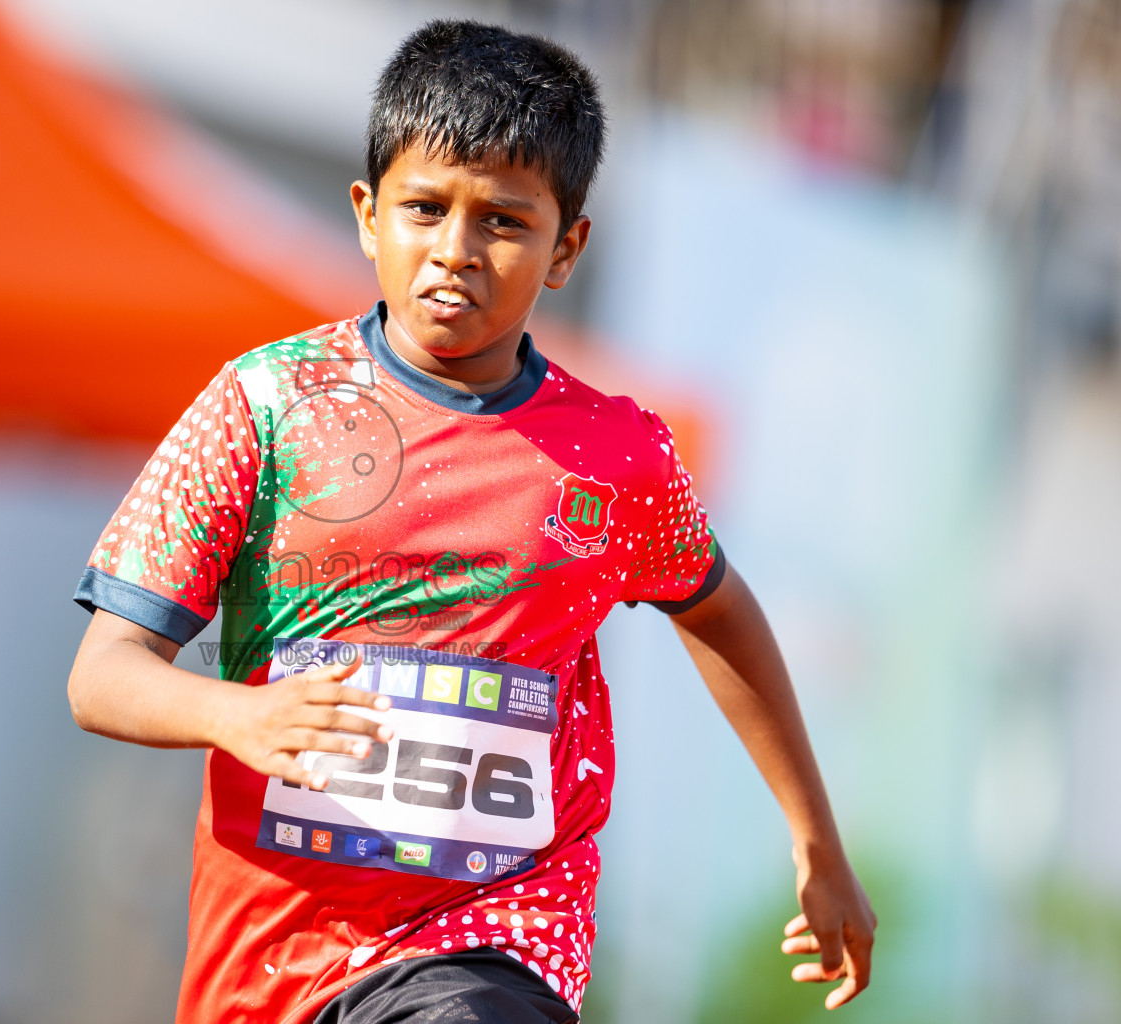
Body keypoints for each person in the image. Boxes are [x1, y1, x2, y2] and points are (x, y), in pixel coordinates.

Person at [66, 19, 875, 1023]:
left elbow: (718, 612)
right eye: (424, 208)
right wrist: (238, 714)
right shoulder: (262, 407)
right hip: (270, 961)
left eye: (503, 220)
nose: (456, 249)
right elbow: (102, 674)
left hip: (499, 934)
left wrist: (816, 841)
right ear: (367, 216)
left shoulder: (615, 457)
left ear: (566, 248)